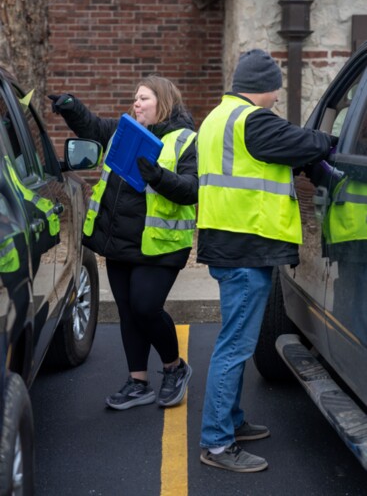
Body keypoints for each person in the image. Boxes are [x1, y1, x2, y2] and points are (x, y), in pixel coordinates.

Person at [196, 49, 339, 473]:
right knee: (235, 347)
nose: (277, 97)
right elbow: (304, 142)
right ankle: (218, 444)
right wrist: (335, 142)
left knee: (234, 342)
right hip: (245, 248)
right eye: (276, 89)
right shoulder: (252, 121)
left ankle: (231, 422)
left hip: (229, 244)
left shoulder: (217, 119)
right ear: (264, 88)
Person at [48, 75, 197, 410]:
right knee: (129, 313)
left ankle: (175, 367)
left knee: (146, 307)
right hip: (118, 240)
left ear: (163, 102)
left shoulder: (185, 140)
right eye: (135, 98)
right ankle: (138, 382)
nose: (136, 103)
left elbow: (192, 188)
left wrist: (157, 176)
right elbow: (93, 128)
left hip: (161, 245)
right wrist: (71, 108)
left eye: (143, 98)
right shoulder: (124, 130)